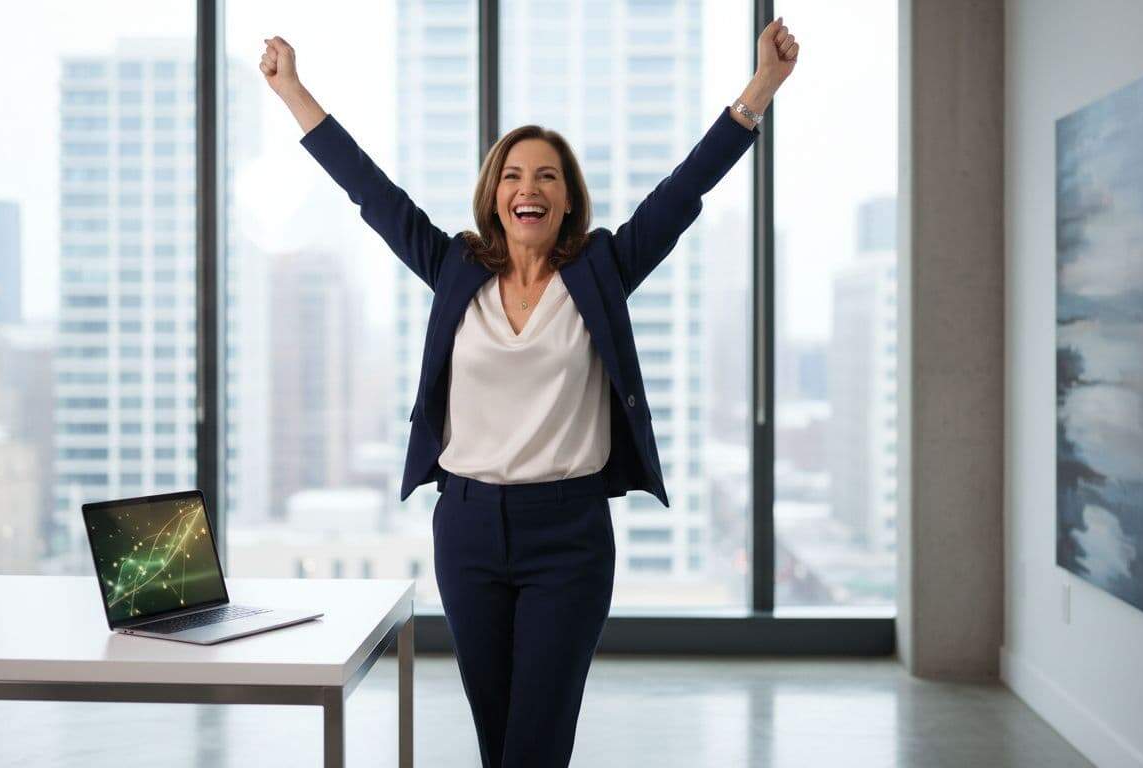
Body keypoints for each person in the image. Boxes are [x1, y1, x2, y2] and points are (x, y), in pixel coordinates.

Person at [260, 18, 797, 768]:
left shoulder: (600, 274)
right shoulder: (455, 272)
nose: (528, 187)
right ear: (494, 195)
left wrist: (760, 90)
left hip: (568, 538)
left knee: (535, 746)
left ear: (568, 199)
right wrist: (294, 92)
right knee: (498, 741)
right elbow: (369, 191)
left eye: (546, 176)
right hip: (469, 533)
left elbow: (684, 191)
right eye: (513, 175)